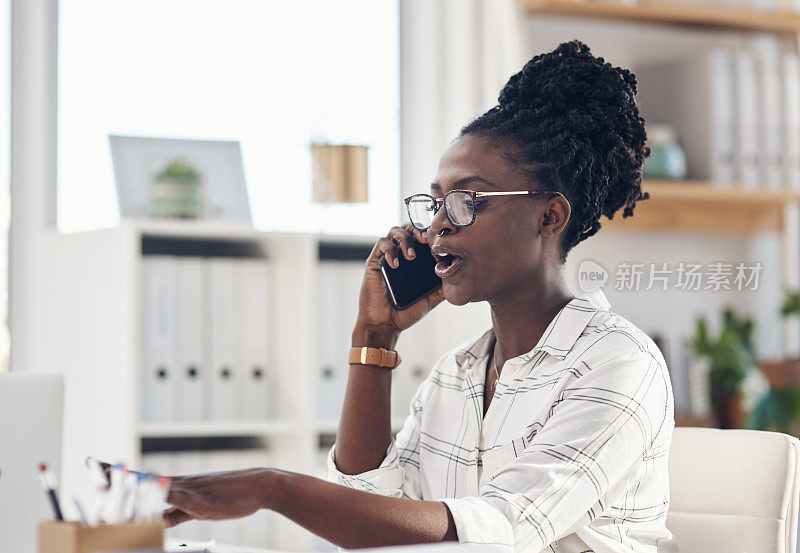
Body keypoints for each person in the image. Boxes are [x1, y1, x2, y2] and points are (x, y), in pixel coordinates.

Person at [164, 40, 676, 552]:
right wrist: (374, 335)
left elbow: (499, 531)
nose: (436, 228)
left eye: (465, 201)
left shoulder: (618, 364)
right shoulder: (456, 376)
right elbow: (366, 513)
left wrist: (275, 488)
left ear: (549, 217)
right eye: (434, 204)